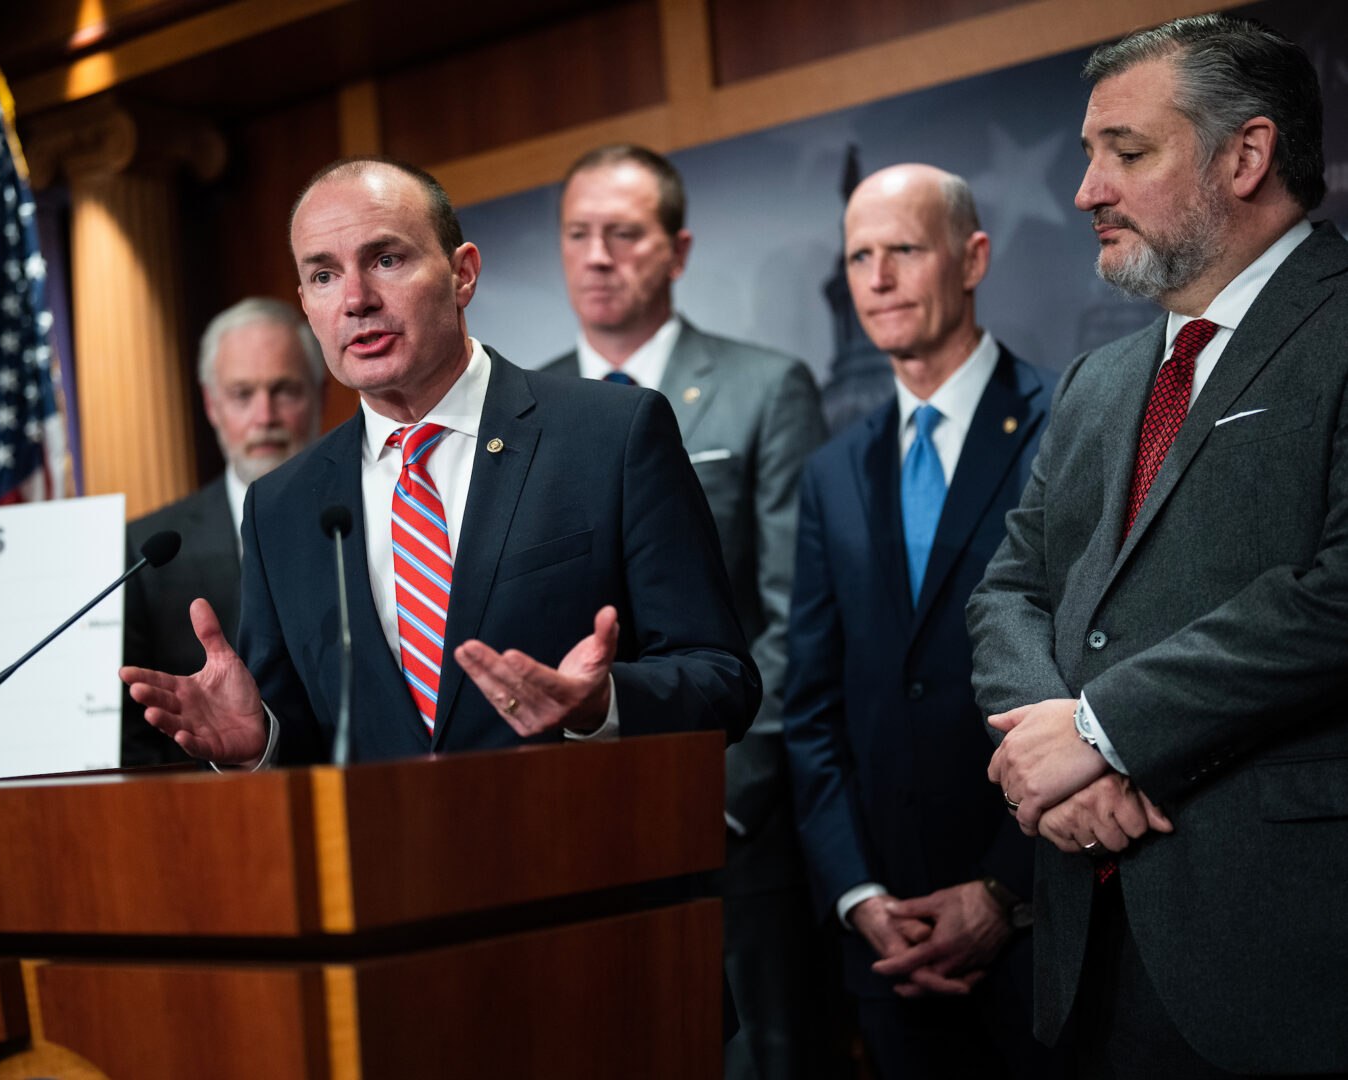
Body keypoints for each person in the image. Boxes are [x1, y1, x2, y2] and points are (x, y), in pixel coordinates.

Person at [968, 14, 1348, 1077]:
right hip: (1090, 945)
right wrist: (1067, 765)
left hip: (1289, 956)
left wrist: (1104, 727)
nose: (1087, 189)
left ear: (1246, 155)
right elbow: (1008, 591)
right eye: (1092, 156)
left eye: (1126, 153)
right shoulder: (1096, 382)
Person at [120, 156, 759, 768]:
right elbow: (310, 736)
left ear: (463, 275)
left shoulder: (612, 434)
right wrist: (258, 743)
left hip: (581, 856)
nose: (356, 299)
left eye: (387, 259)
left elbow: (721, 678)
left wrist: (602, 705)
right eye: (323, 275)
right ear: (308, 306)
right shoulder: (279, 506)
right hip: (385, 873)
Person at [541, 144, 837, 1080]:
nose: (597, 256)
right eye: (579, 235)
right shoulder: (520, 409)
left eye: (623, 234)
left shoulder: (766, 388)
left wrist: (730, 794)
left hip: (732, 816)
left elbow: (798, 614)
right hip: (566, 828)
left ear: (677, 248)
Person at [783, 163, 1053, 1078]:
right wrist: (858, 894)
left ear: (972, 258)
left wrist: (1002, 890)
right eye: (860, 256)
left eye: (904, 249)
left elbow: (1099, 669)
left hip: (1042, 922)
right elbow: (812, 705)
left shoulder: (1068, 421)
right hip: (888, 942)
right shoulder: (831, 472)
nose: (879, 278)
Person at [121, 298, 322, 766]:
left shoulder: (366, 517)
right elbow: (134, 740)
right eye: (242, 394)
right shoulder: (146, 551)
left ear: (318, 394)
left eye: (285, 391)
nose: (265, 415)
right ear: (212, 405)